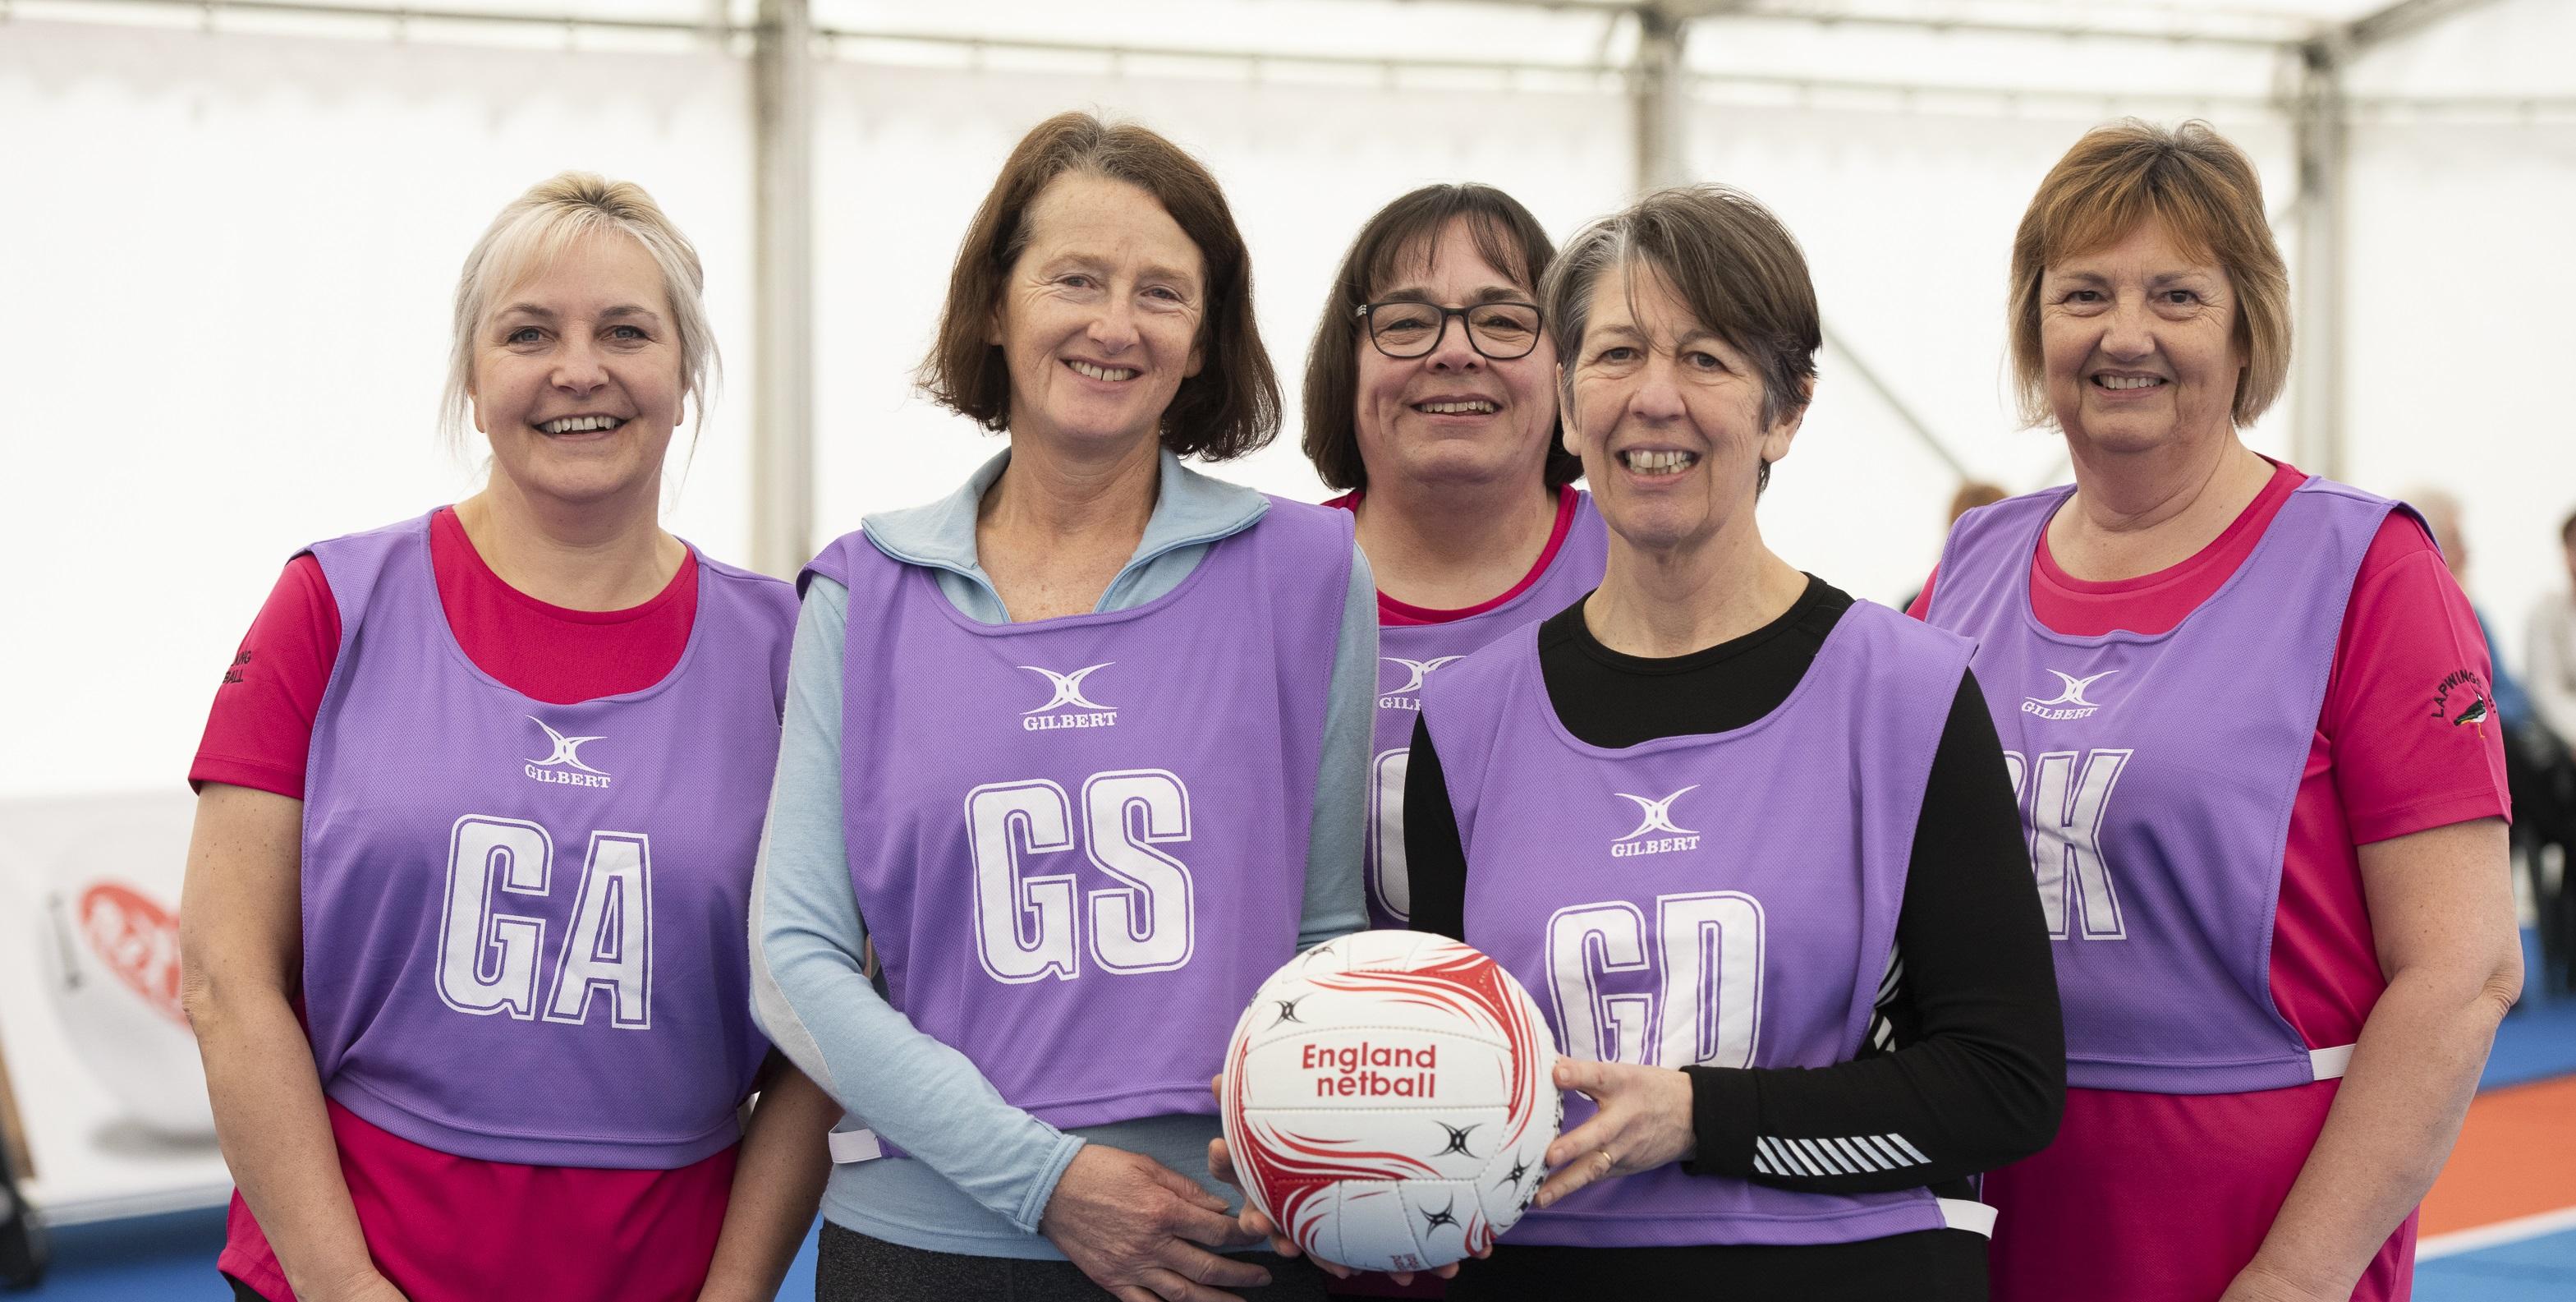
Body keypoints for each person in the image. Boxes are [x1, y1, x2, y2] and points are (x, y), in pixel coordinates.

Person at [1223, 184, 2066, 1300]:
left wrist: (1700, 1116)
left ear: (1786, 409)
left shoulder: (1905, 691)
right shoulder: (1470, 720)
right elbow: (1450, 1077)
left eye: (1707, 358)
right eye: (1617, 354)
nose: (1654, 399)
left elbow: (2004, 1086)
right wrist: (1315, 1150)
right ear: (1568, 401)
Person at [751, 112, 1375, 1301]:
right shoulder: (863, 589)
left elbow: (1321, 935)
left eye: (1161, 293)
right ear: (996, 306)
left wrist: (1351, 1169)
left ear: (1203, 342)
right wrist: (1043, 1179)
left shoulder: (1307, 572)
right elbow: (795, 961)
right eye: (1074, 279)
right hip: (928, 1248)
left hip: (1220, 1244)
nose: (1114, 323)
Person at [180, 173, 835, 1302]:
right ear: (474, 384)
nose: (577, 369)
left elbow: (826, 1029)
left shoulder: (788, 650)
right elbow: (224, 972)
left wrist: (732, 1294)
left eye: (625, 331)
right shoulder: (331, 606)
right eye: (529, 332)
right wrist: (342, 1287)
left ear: (683, 377)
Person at [1913, 119, 2523, 1302]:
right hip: (1996, 1214)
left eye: (2176, 296)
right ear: (2035, 327)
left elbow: (2462, 972)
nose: (2123, 333)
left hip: (2250, 1238)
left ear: (2246, 327)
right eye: (2081, 292)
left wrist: (2296, 1274)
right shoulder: (1969, 565)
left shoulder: (2365, 569)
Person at [1302, 183, 1609, 932]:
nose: (1454, 352)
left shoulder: (1643, 570)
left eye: (1502, 321)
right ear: (1347, 364)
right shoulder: (1273, 587)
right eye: (1406, 323)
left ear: (1565, 366)